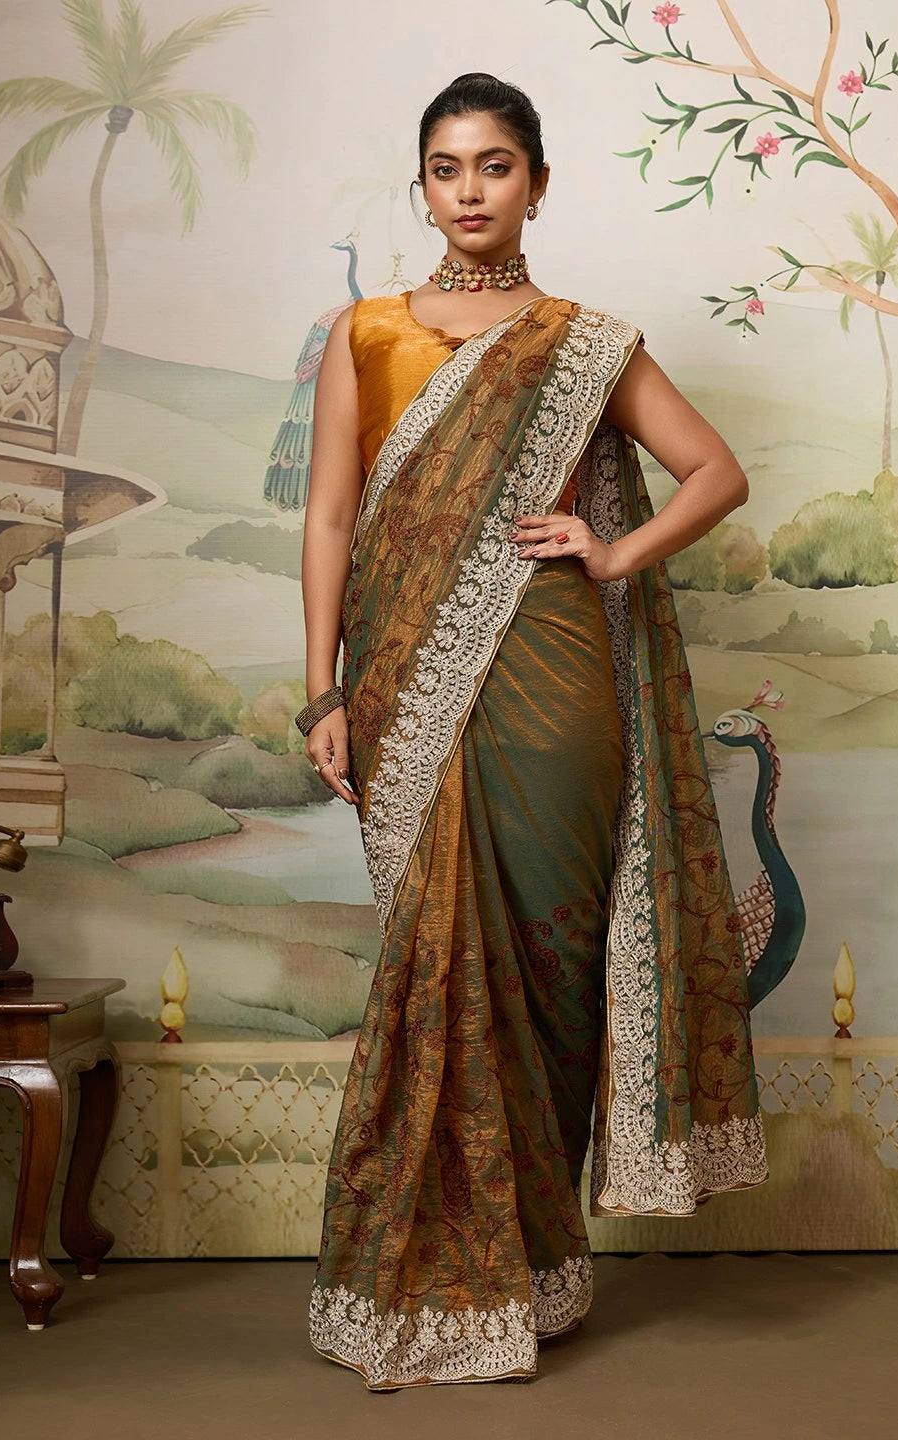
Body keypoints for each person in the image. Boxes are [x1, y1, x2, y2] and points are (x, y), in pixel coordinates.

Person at [297, 71, 769, 1392]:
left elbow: (717, 469)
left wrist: (616, 553)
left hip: (556, 681)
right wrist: (324, 688)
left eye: (494, 166)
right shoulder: (367, 332)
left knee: (555, 973)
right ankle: (433, 1271)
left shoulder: (588, 341)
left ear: (538, 184)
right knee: (436, 958)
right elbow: (330, 520)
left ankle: (534, 1264)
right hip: (401, 688)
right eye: (446, 168)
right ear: (424, 187)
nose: (468, 191)